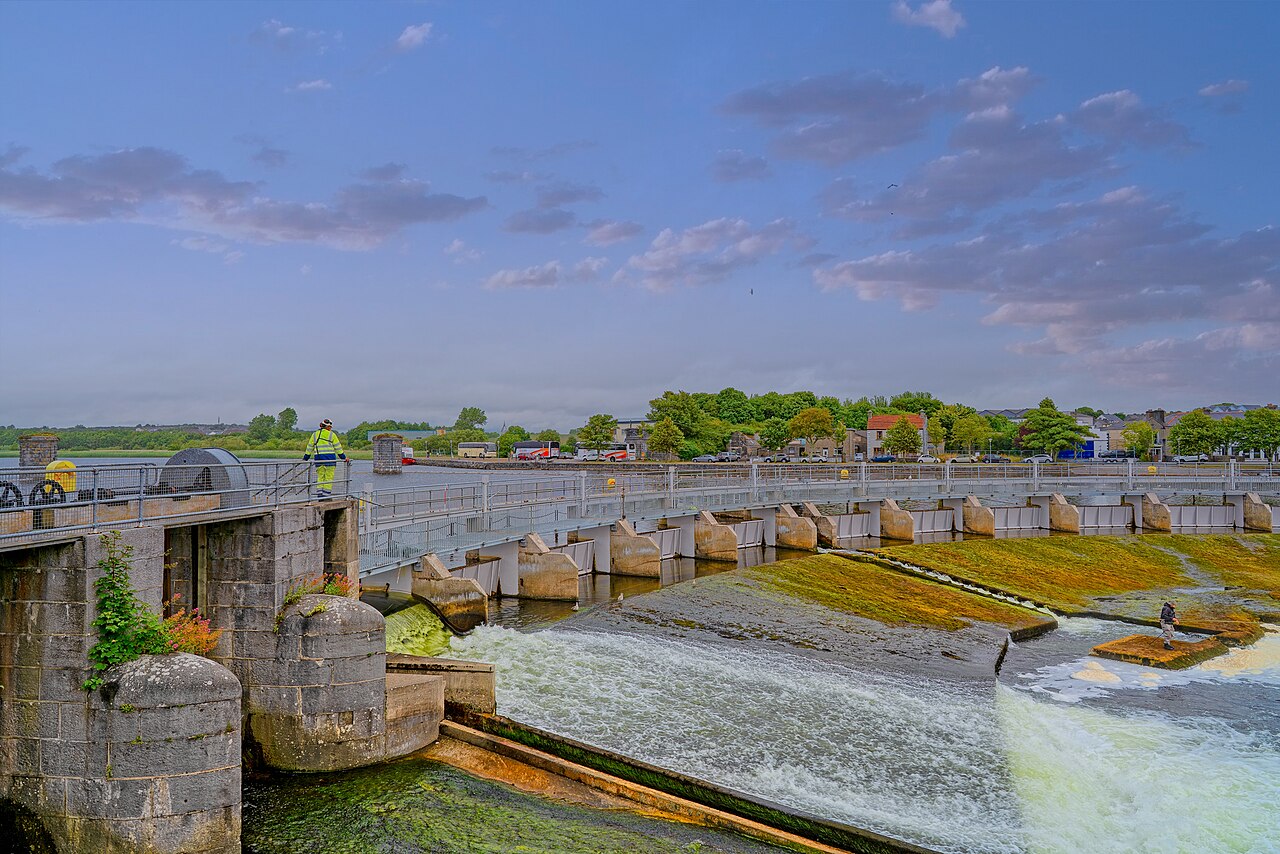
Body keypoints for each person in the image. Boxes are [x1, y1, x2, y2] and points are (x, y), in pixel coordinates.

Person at [303, 419, 348, 498]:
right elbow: (338, 448)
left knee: (320, 477)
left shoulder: (314, 435)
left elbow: (309, 447)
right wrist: (344, 458)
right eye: (330, 427)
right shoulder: (332, 435)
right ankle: (326, 496)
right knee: (328, 478)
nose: (331, 428)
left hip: (318, 459)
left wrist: (305, 458)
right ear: (328, 427)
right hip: (330, 459)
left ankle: (320, 495)